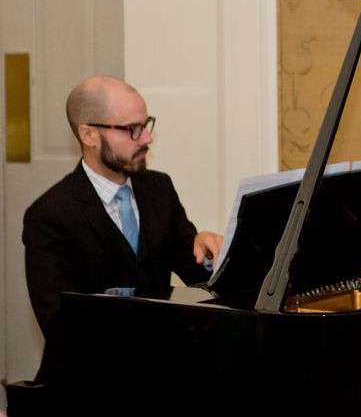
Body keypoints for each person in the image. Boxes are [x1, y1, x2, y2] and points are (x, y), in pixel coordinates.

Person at [22, 75, 223, 381]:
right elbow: (59, 325)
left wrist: (207, 249)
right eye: (133, 129)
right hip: (85, 386)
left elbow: (197, 272)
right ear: (89, 135)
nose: (146, 139)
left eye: (146, 124)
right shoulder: (49, 215)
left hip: (158, 374)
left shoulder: (159, 188)